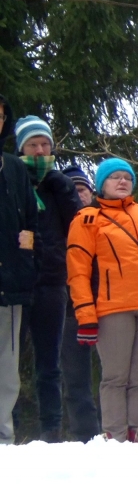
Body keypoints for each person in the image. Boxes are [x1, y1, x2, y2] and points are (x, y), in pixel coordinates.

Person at [66, 158, 138, 442]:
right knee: (116, 377)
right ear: (101, 185)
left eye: (127, 178)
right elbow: (78, 273)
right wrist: (85, 316)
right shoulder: (86, 219)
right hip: (112, 308)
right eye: (114, 177)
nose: (122, 182)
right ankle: (116, 439)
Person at [14, 116, 80, 441]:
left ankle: (51, 431)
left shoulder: (58, 185)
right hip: (16, 283)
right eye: (32, 145)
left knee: (49, 364)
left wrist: (65, 188)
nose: (40, 151)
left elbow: (77, 229)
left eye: (45, 144)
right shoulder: (10, 180)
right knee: (8, 361)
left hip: (53, 281)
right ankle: (7, 429)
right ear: (20, 148)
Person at [0, 95, 38, 445]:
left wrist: (26, 254)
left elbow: (30, 221)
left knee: (6, 372)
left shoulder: (12, 167)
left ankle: (3, 439)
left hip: (7, 284)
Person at [59, 166, 101, 442]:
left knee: (114, 377)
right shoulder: (55, 221)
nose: (78, 196)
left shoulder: (105, 220)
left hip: (108, 306)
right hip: (70, 309)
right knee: (75, 379)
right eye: (72, 191)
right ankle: (84, 436)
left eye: (82, 190)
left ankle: (115, 432)